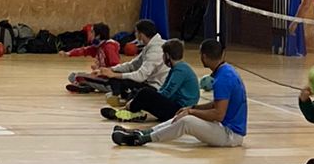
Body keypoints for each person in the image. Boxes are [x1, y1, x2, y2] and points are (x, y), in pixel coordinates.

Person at [113, 38, 248, 148]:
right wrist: (192, 108)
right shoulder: (227, 71)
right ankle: (143, 132)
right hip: (224, 128)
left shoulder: (223, 79)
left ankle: (141, 139)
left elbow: (218, 114)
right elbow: (216, 104)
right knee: (182, 114)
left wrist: (191, 112)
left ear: (204, 56)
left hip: (230, 134)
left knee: (186, 121)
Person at [103, 35, 201, 128]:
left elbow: (167, 93)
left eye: (163, 55)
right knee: (143, 94)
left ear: (167, 55)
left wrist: (146, 98)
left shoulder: (180, 71)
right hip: (177, 106)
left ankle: (129, 110)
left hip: (180, 110)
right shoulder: (177, 68)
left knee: (145, 92)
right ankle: (134, 112)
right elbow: (163, 89)